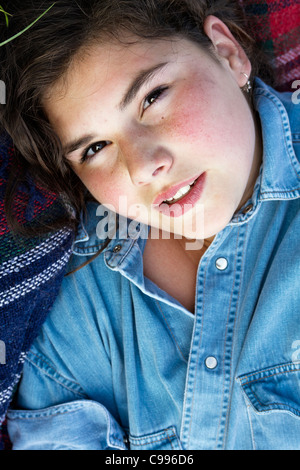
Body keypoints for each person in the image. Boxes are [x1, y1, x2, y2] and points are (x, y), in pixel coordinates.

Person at [0, 0, 299, 450]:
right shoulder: (74, 289)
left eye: (153, 97)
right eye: (95, 148)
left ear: (228, 52)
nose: (144, 167)